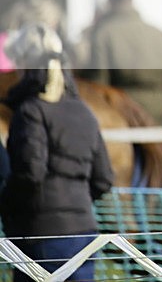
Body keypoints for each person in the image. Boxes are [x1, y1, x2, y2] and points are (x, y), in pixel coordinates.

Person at [1, 23, 114, 281]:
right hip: (85, 234)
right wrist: (75, 203)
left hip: (41, 236)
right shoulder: (84, 111)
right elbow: (104, 178)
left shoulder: (30, 112)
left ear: (23, 64)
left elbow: (31, 173)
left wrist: (6, 203)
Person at [87, 0, 162, 124]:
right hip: (158, 111)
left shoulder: (103, 35)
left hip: (120, 112)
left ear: (110, 0)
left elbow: (99, 82)